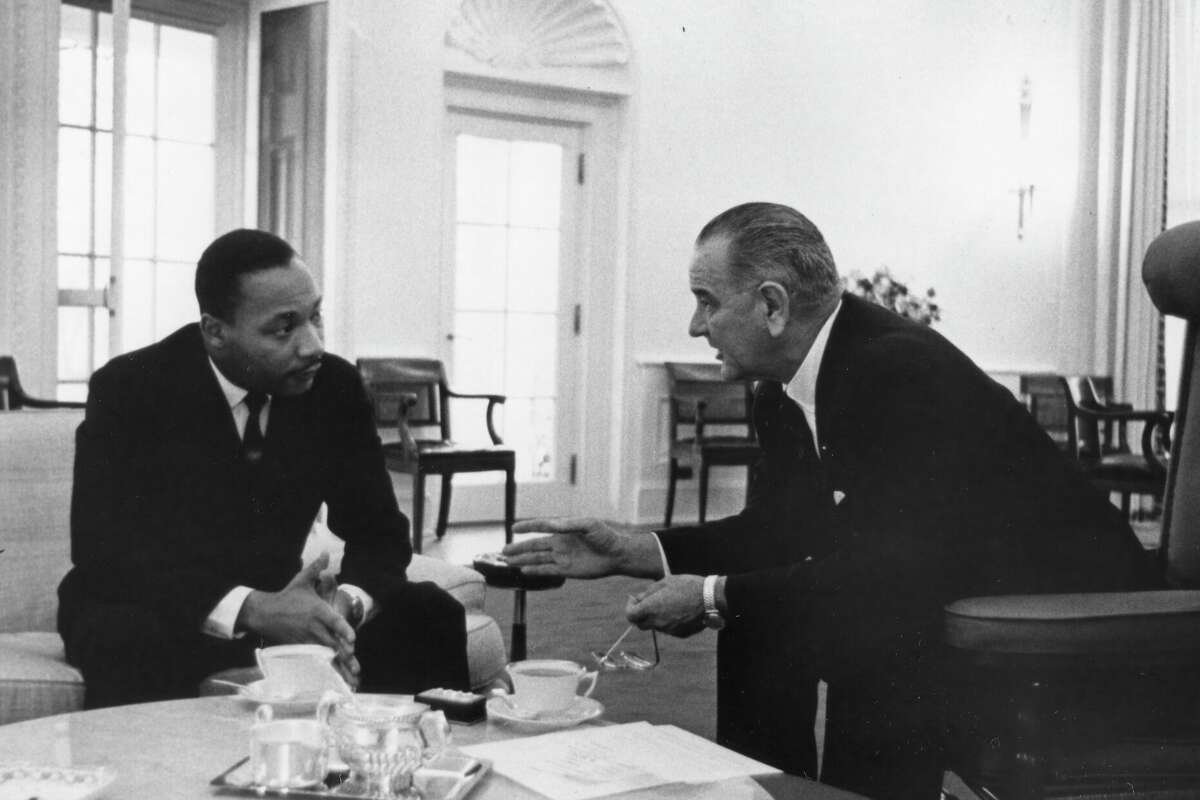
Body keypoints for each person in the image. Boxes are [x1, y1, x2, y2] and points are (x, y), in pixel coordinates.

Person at [503, 202, 1156, 799]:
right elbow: (785, 530)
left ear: (772, 306)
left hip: (1065, 624)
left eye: (706, 301)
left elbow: (897, 572)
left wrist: (711, 595)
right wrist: (636, 548)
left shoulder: (893, 368)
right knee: (761, 608)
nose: (696, 325)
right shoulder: (784, 389)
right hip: (953, 589)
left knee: (856, 623)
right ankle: (755, 790)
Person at [59, 228, 470, 709]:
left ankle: (424, 769)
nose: (312, 344)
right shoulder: (132, 390)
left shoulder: (332, 387)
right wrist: (253, 610)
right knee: (127, 636)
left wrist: (342, 611)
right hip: (165, 607)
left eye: (316, 316)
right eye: (284, 328)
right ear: (215, 332)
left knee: (429, 611)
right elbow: (105, 555)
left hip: (286, 612)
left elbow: (380, 534)